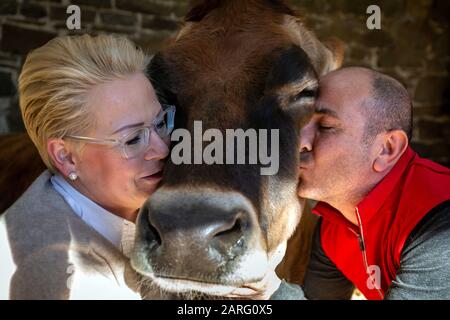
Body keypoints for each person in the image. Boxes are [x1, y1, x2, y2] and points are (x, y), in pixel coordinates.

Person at [233, 67, 450, 300]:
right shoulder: (334, 224)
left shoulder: (440, 222)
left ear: (387, 149)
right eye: (300, 123)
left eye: (325, 126)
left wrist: (272, 290)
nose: (298, 143)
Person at [0, 34, 175, 299]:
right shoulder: (66, 280)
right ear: (66, 157)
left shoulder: (125, 205)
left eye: (161, 122)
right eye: (133, 138)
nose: (162, 149)